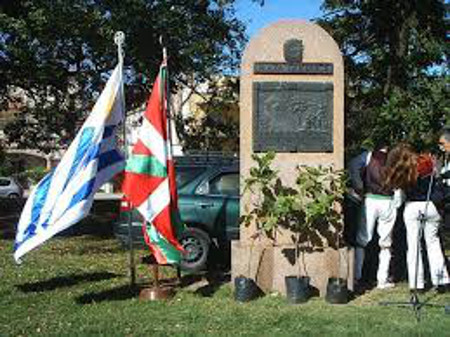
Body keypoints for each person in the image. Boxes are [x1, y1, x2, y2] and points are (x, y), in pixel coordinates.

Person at [385, 146, 450, 292]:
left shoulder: (403, 169)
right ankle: (442, 281)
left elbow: (399, 199)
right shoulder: (425, 162)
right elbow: (435, 178)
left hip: (412, 207)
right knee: (433, 243)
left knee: (413, 246)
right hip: (431, 205)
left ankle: (417, 284)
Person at [354, 142, 400, 289]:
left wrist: (358, 186)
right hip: (388, 201)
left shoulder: (368, 156)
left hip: (370, 200)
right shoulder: (395, 159)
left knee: (362, 239)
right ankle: (382, 280)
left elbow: (353, 166)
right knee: (386, 243)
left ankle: (356, 277)